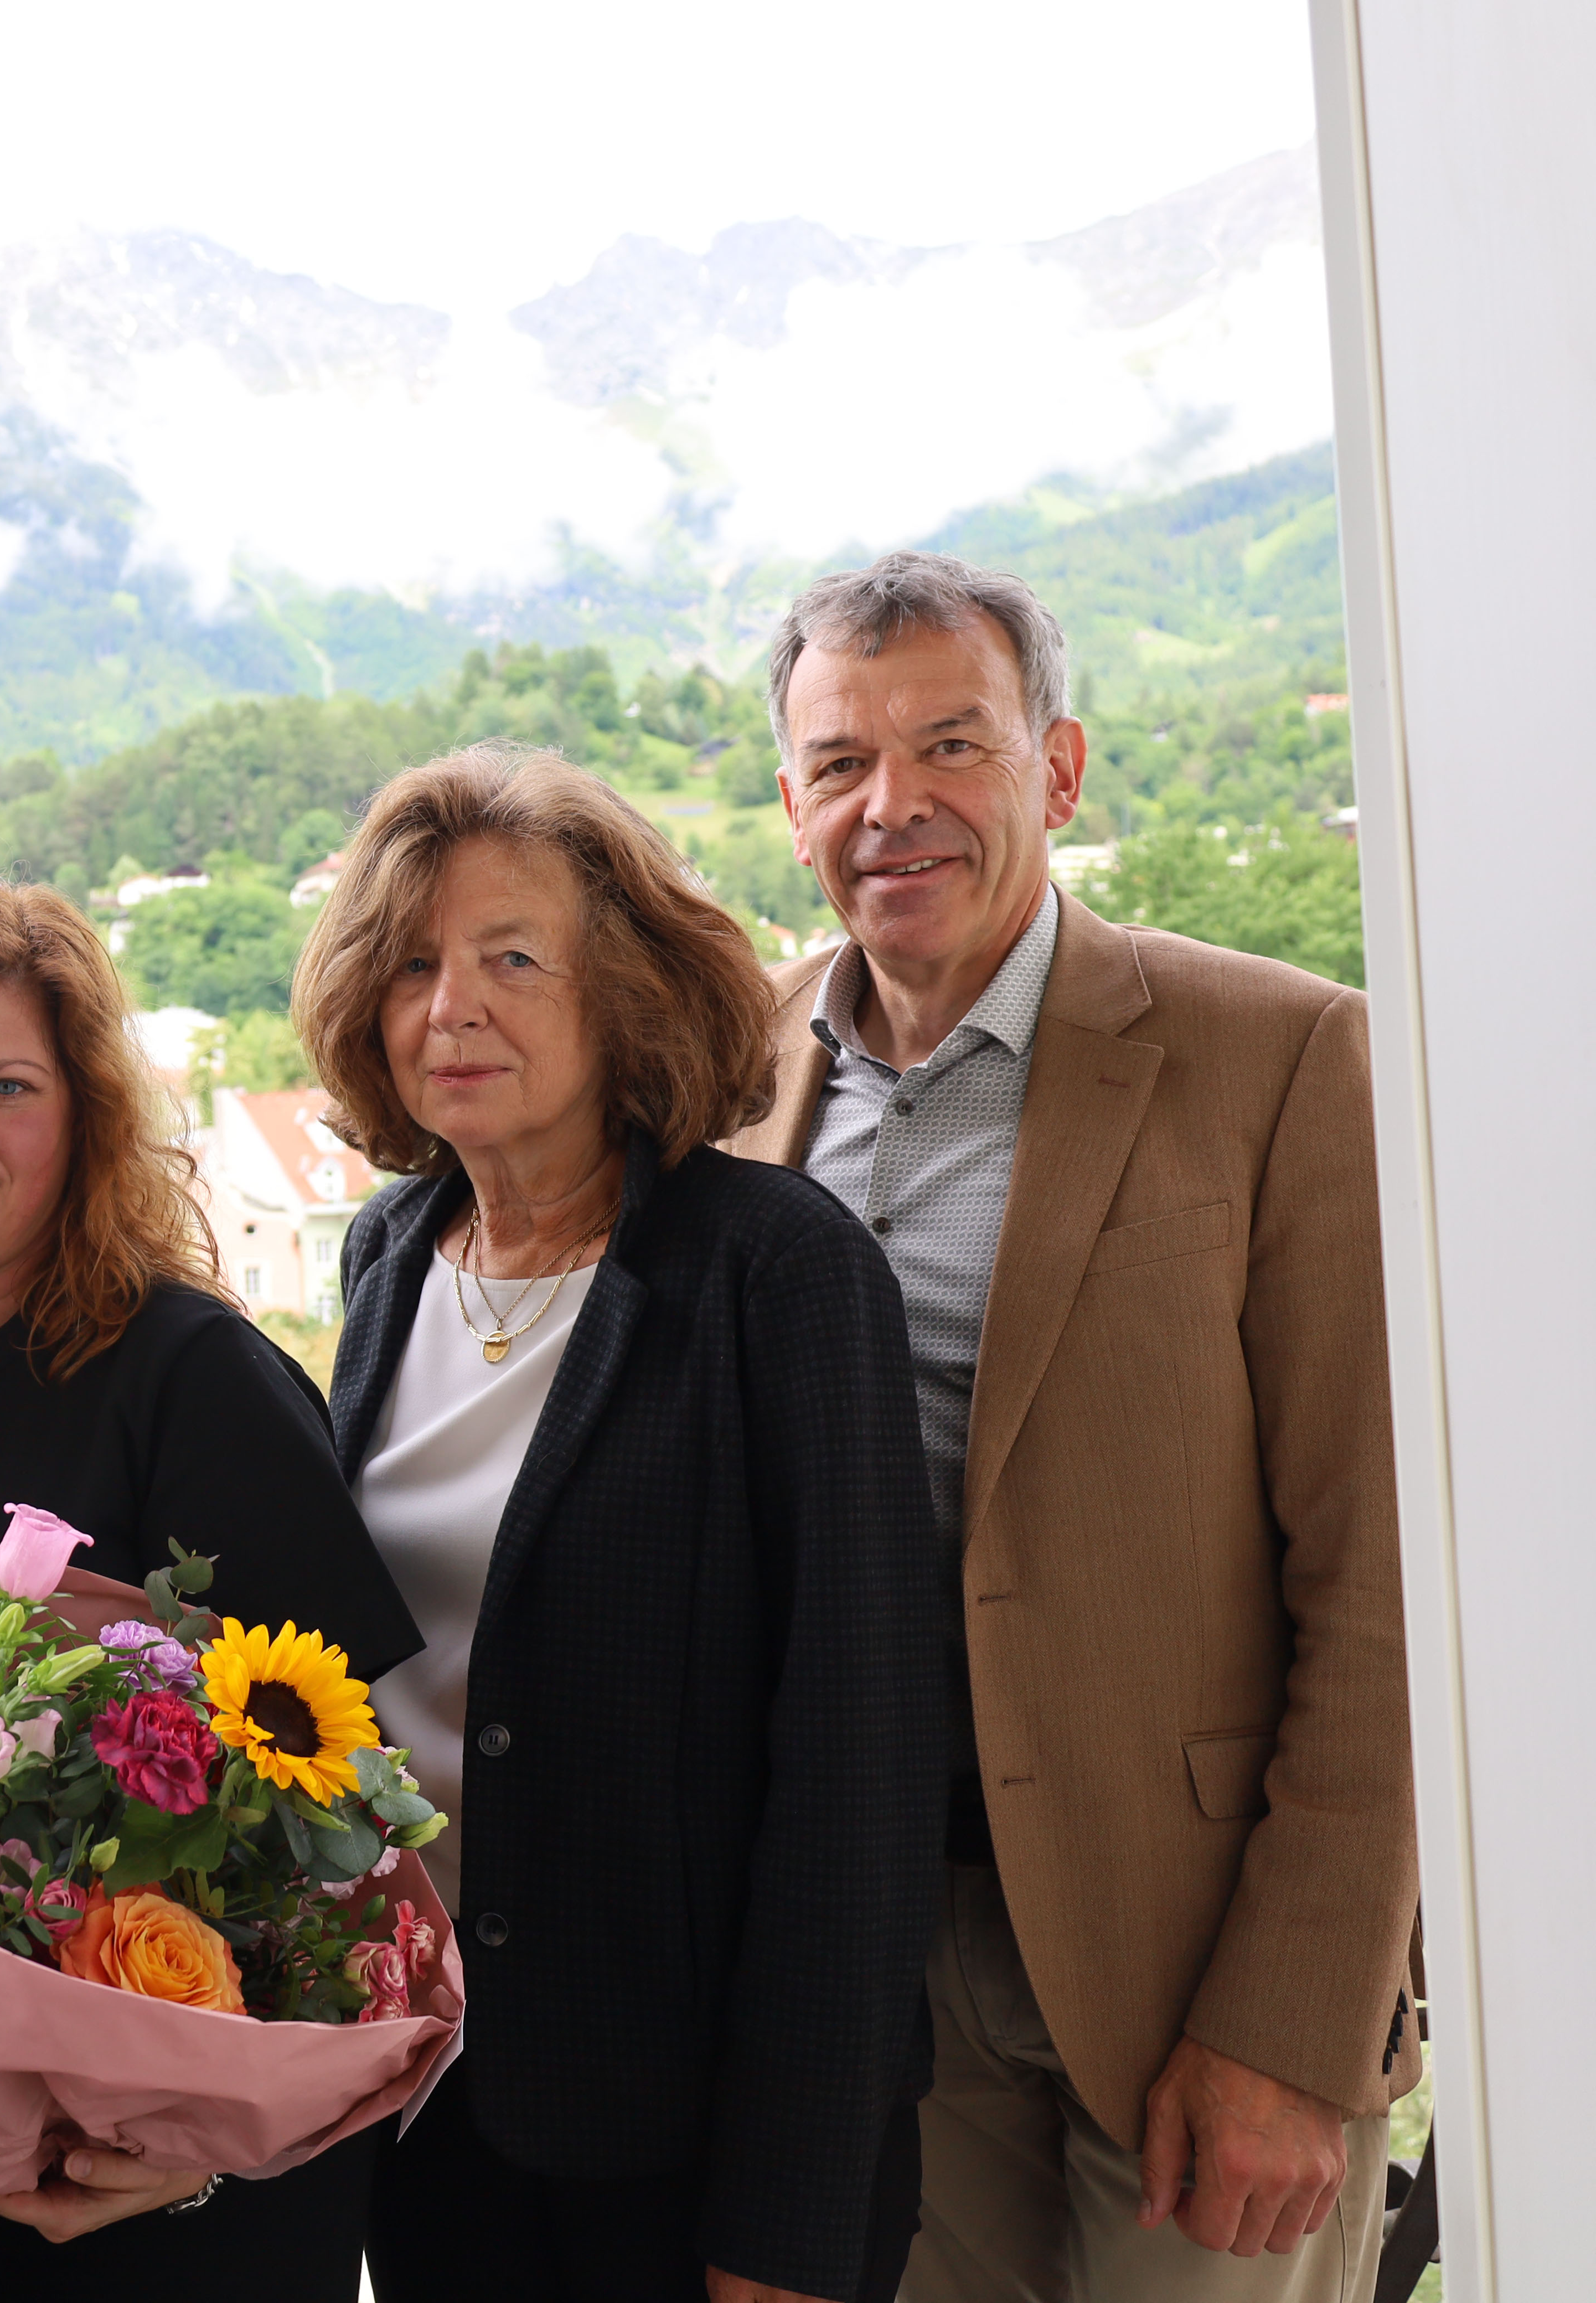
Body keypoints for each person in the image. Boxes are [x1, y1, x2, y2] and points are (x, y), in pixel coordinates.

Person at [730, 552, 1418, 2301]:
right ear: (790, 800)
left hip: (1191, 1962)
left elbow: (1388, 1582)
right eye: (838, 764)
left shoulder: (1282, 1057)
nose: (895, 808)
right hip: (871, 1960)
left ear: (1060, 767)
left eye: (952, 747)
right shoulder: (732, 1076)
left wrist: (1295, 2025)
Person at [301, 747, 949, 2303]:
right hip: (432, 2100)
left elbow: (857, 1778)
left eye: (511, 959)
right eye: (408, 964)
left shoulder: (776, 1276)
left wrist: (784, 2224)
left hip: (686, 2144)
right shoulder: (392, 1254)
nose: (450, 1005)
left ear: (626, 993)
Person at [0, 875, 424, 2300]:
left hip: (169, 2174)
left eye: (7, 1086)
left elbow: (341, 1819)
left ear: (86, 1121)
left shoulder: (194, 1380)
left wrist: (192, 2126)